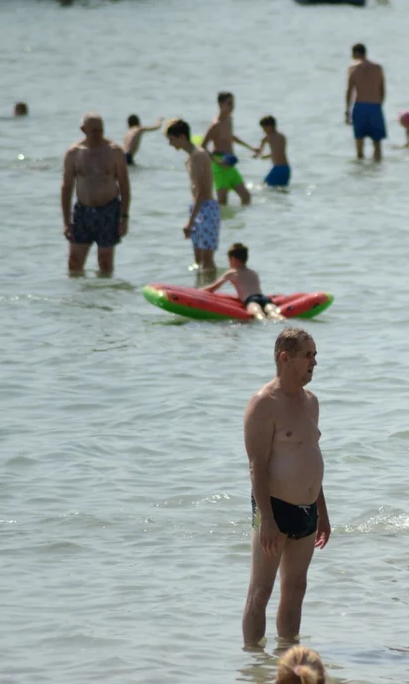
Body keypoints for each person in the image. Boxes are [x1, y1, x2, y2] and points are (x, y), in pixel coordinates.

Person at [242, 328, 331, 647]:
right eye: (309, 355)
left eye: (315, 355)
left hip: (307, 511)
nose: (315, 362)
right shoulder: (264, 403)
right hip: (274, 510)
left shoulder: (311, 401)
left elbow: (311, 455)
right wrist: (266, 519)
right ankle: (254, 666)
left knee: (296, 589)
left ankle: (287, 662)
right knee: (260, 591)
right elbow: (257, 466)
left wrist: (322, 512)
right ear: (285, 358)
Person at [61, 113, 131, 276]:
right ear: (83, 130)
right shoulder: (74, 153)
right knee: (74, 262)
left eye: (100, 130)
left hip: (108, 210)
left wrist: (125, 217)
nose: (98, 134)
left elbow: (125, 185)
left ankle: (104, 298)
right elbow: (67, 187)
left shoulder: (114, 151)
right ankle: (80, 298)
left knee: (105, 263)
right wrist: (66, 221)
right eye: (93, 131)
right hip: (82, 212)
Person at [166, 119, 220, 273]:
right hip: (196, 207)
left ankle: (208, 291)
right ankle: (198, 288)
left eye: (172, 139)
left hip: (207, 208)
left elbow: (203, 190)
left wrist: (190, 222)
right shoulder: (188, 158)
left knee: (207, 260)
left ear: (182, 137)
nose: (171, 144)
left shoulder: (199, 155)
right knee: (198, 260)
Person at [202, 243, 284, 321]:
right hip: (264, 298)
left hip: (251, 300)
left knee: (259, 315)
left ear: (233, 259)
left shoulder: (232, 272)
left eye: (229, 260)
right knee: (274, 314)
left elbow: (213, 288)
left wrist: (198, 291)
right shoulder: (253, 272)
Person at [203, 92, 255, 205]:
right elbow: (203, 147)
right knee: (222, 202)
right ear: (220, 104)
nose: (232, 107)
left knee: (246, 197)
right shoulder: (215, 125)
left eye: (233, 104)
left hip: (231, 164)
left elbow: (231, 136)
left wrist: (250, 148)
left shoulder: (229, 120)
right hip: (219, 165)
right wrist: (217, 161)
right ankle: (221, 221)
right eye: (229, 103)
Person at [346, 43, 387, 162]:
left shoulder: (353, 68)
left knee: (359, 145)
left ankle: (361, 170)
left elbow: (349, 91)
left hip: (360, 106)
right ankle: (377, 171)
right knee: (377, 145)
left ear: (356, 53)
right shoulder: (378, 68)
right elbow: (382, 89)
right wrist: (379, 104)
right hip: (375, 106)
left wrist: (347, 110)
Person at [254, 116, 291, 188]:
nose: (263, 131)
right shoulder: (282, 136)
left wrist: (258, 155)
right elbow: (278, 151)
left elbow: (260, 151)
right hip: (286, 168)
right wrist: (267, 155)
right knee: (281, 189)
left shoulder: (268, 137)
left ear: (270, 127)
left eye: (264, 128)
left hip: (277, 169)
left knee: (264, 186)